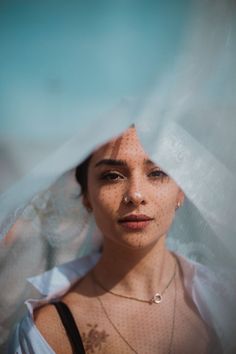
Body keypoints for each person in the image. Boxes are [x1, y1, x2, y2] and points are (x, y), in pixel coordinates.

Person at [11, 126, 222, 354]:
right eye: (112, 176)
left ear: (180, 191)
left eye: (157, 172)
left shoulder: (224, 301)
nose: (135, 195)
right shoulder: (48, 331)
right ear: (86, 196)